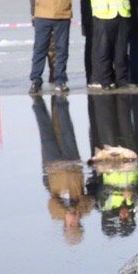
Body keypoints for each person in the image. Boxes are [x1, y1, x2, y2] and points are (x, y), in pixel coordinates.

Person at [33, 95, 92, 243]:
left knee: (45, 132)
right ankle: (60, 100)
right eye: (76, 224)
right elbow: (90, 199)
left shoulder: (56, 214)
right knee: (66, 130)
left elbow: (52, 202)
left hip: (53, 166)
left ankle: (37, 103)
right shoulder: (85, 210)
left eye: (70, 225)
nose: (73, 222)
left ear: (65, 225)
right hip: (72, 164)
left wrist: (67, 212)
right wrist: (76, 209)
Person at [83, 0, 136, 90]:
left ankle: (122, 79)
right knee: (103, 50)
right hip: (103, 16)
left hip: (122, 14)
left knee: (121, 50)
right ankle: (105, 80)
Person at [29, 0, 79, 94]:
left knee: (62, 49)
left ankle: (60, 79)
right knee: (40, 48)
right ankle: (36, 80)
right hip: (43, 14)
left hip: (62, 14)